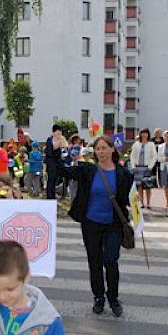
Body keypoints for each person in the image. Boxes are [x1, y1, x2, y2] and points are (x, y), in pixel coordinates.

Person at [58, 135, 133, 317]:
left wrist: (137, 220)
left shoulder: (123, 174)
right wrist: (54, 148)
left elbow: (130, 200)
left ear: (112, 149)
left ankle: (113, 298)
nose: (101, 152)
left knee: (111, 260)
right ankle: (98, 297)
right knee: (95, 261)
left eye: (104, 148)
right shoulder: (88, 170)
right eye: (98, 149)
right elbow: (62, 170)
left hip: (113, 224)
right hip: (91, 223)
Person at [129, 128, 157, 209]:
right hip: (138, 168)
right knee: (139, 186)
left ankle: (148, 203)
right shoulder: (136, 144)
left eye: (146, 133)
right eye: (142, 133)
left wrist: (150, 166)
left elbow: (154, 156)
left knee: (148, 186)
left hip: (147, 167)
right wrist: (133, 166)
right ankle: (141, 202)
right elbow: (132, 156)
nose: (144, 135)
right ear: (140, 134)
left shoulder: (151, 144)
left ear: (148, 135)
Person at [45, 124, 68, 199]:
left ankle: (56, 195)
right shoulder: (49, 140)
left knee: (56, 181)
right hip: (51, 165)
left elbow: (65, 152)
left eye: (60, 133)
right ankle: (50, 197)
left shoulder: (62, 140)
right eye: (57, 133)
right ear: (54, 132)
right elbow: (49, 152)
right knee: (51, 181)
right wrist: (56, 146)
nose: (59, 135)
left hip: (59, 164)